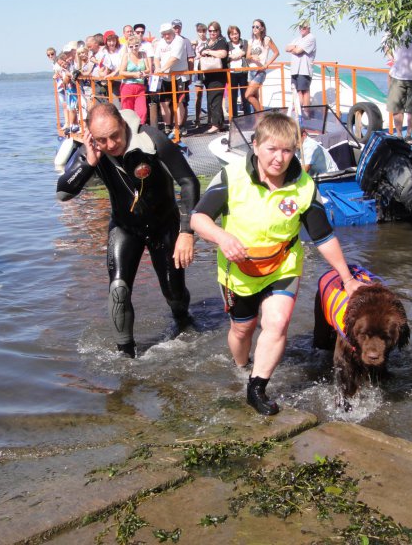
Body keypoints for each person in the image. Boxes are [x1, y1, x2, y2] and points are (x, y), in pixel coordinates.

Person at [190, 112, 361, 415]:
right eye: (272, 149)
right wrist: (222, 237)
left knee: (278, 323)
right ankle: (242, 366)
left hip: (283, 265)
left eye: (287, 150)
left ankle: (256, 388)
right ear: (255, 146)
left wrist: (347, 279)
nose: (279, 158)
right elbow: (198, 218)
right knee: (243, 329)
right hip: (238, 272)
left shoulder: (304, 186)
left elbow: (323, 237)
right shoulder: (232, 177)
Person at [56, 103, 200, 359]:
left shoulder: (152, 140)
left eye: (115, 136)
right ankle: (125, 355)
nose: (110, 144)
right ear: (91, 136)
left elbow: (188, 181)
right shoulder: (91, 150)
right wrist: (90, 163)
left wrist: (187, 232)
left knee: (173, 294)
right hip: (125, 228)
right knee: (118, 289)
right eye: (102, 139)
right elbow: (63, 192)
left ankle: (183, 322)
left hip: (164, 226)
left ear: (123, 124)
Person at [154, 23, 190, 135]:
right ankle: (167, 126)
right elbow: (156, 57)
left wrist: (162, 69)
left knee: (179, 102)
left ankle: (179, 126)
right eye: (164, 34)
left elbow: (174, 58)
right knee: (164, 102)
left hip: (179, 76)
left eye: (168, 33)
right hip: (165, 77)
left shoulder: (179, 41)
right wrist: (158, 68)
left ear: (172, 32)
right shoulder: (161, 43)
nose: (166, 36)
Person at [199, 21, 229, 134]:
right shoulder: (208, 42)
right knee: (211, 99)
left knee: (215, 99)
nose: (212, 33)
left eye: (214, 30)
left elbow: (223, 54)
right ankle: (219, 123)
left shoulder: (221, 41)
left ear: (219, 31)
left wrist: (209, 52)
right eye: (210, 31)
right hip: (208, 75)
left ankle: (215, 124)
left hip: (218, 76)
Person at [245, 19, 280, 112]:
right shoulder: (251, 41)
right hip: (251, 70)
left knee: (247, 95)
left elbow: (276, 52)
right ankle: (258, 117)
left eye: (257, 27)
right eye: (253, 26)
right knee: (255, 96)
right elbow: (247, 56)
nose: (254, 28)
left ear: (262, 28)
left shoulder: (266, 39)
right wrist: (252, 56)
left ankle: (262, 114)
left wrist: (267, 64)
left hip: (260, 71)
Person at [117, 34, 150, 124]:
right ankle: (129, 130)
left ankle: (140, 128)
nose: (134, 48)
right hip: (127, 86)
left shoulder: (143, 54)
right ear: (128, 47)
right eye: (131, 46)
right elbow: (121, 72)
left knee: (142, 111)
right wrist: (134, 74)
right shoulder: (126, 56)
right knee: (127, 112)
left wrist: (143, 73)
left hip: (140, 86)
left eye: (136, 45)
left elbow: (148, 69)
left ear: (140, 45)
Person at [284, 22, 316, 108]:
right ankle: (299, 111)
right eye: (300, 27)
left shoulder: (311, 38)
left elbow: (298, 51)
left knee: (304, 91)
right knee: (296, 91)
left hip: (304, 70)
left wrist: (293, 48)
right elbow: (286, 48)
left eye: (304, 27)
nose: (302, 29)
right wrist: (295, 48)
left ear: (309, 28)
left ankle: (305, 112)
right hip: (295, 69)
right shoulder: (297, 39)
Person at [227, 25, 251, 117]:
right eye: (232, 34)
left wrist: (235, 56)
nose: (234, 36)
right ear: (229, 36)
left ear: (239, 34)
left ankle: (248, 116)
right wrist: (234, 56)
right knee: (232, 97)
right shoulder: (227, 45)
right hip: (231, 73)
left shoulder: (244, 42)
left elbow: (244, 52)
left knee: (245, 96)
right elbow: (225, 56)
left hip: (243, 72)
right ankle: (234, 117)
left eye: (236, 34)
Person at [193, 23, 209, 126]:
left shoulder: (209, 42)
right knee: (198, 95)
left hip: (208, 69)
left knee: (210, 95)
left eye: (203, 31)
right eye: (199, 31)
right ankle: (197, 118)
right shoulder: (195, 43)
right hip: (198, 70)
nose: (202, 33)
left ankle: (210, 118)